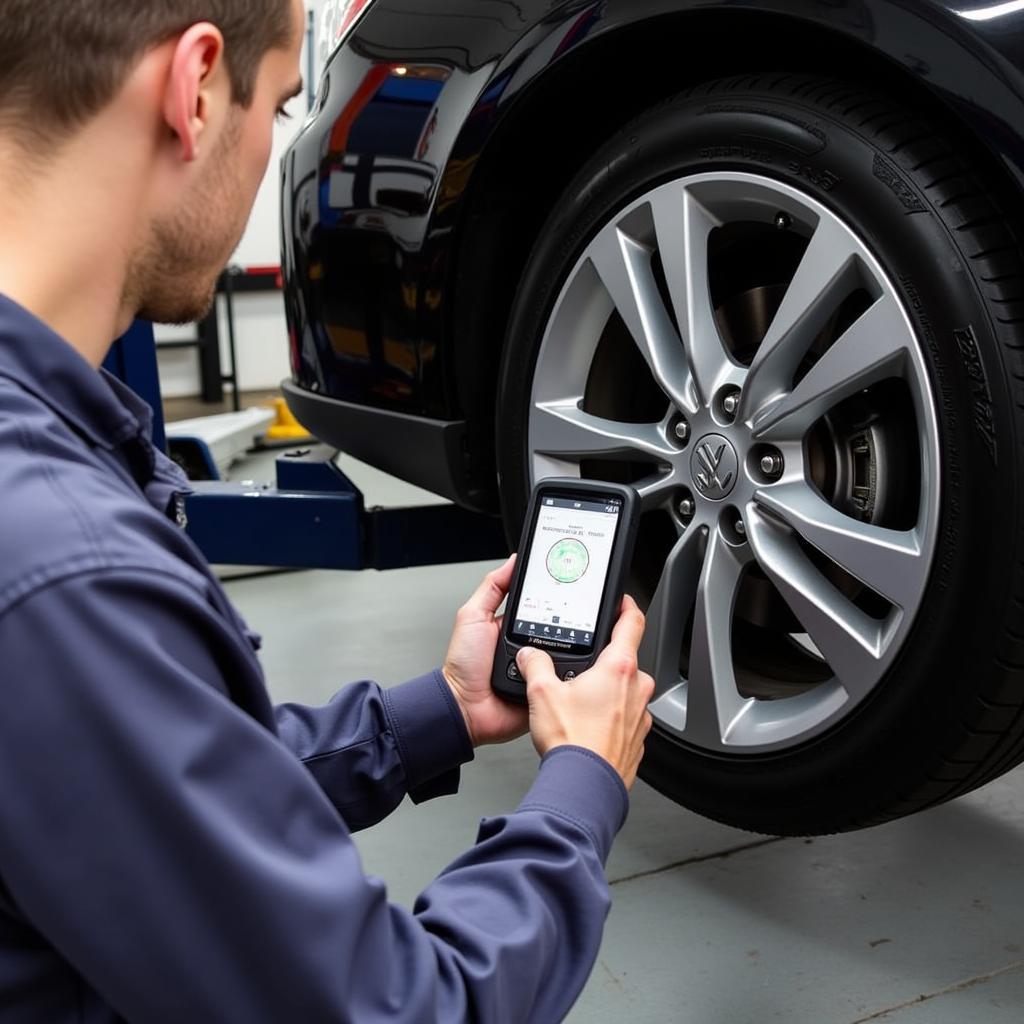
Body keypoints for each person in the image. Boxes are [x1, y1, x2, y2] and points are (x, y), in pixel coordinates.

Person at [0, 1, 655, 1021]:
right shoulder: (65, 571)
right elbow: (401, 1009)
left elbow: (154, 792)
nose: (272, 150)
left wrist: (436, 712)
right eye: (281, 104)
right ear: (197, 89)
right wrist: (580, 784)